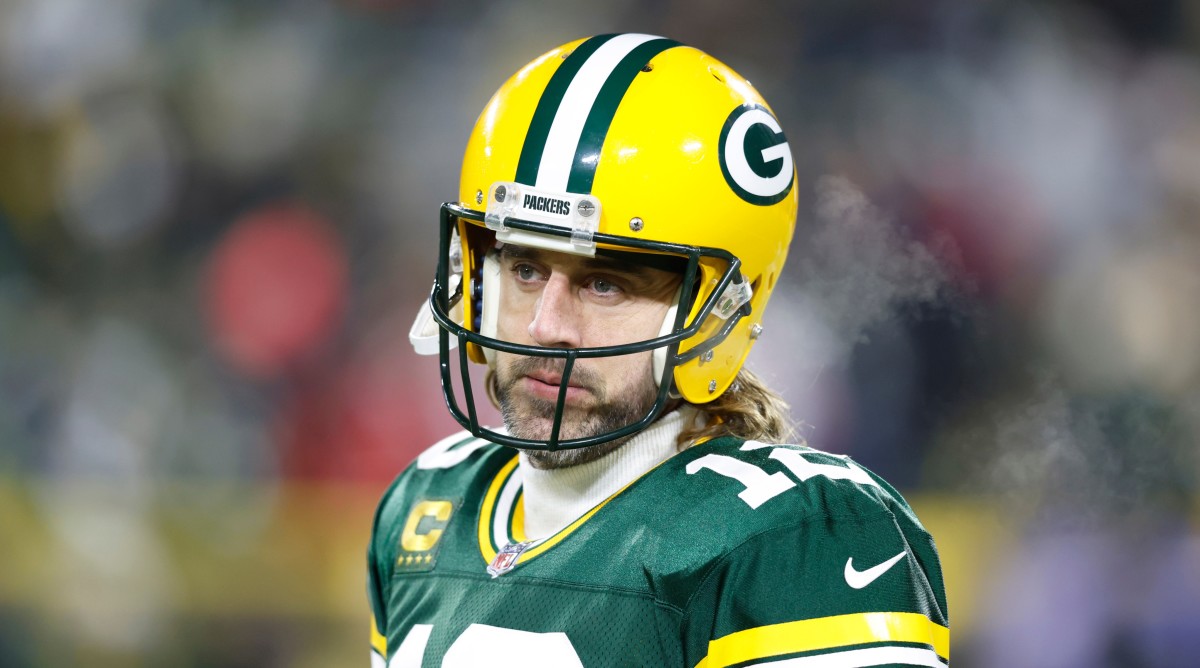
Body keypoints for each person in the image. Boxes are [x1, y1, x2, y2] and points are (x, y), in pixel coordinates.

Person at [368, 33, 949, 667]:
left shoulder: (794, 537)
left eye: (603, 282)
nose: (545, 325)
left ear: (715, 310)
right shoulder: (428, 501)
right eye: (526, 269)